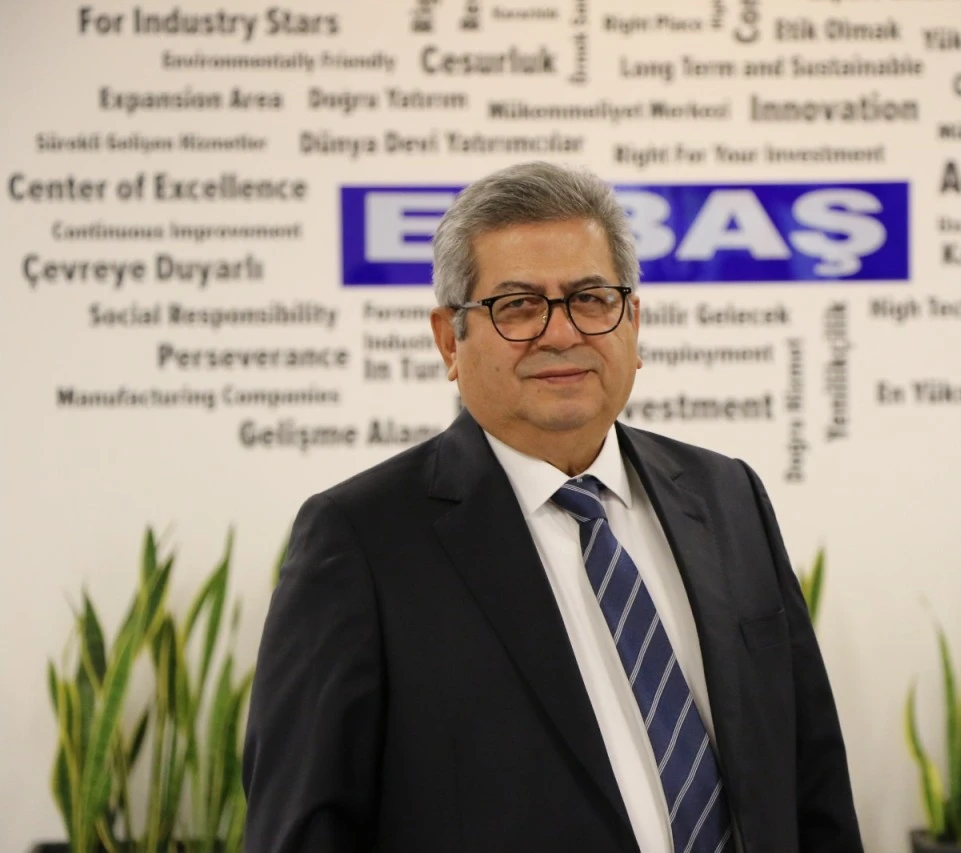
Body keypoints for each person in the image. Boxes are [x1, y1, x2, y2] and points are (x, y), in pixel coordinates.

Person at [243, 161, 863, 853]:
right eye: (517, 306)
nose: (561, 333)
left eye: (590, 298)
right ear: (450, 340)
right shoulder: (362, 541)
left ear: (632, 321)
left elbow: (812, 784)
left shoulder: (728, 496)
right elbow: (304, 829)